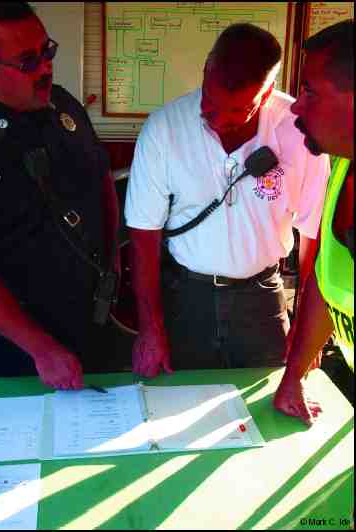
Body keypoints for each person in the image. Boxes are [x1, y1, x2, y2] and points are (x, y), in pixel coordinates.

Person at [0, 2, 121, 390]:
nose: (45, 68)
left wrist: (112, 265)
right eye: (28, 61)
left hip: (93, 322)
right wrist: (41, 348)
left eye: (47, 52)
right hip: (19, 347)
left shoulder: (63, 104)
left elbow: (101, 181)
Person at [124, 23, 330, 377]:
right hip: (187, 297)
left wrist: (305, 327)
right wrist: (151, 329)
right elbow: (143, 236)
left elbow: (314, 238)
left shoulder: (300, 132)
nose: (218, 120)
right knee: (177, 402)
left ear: (266, 94)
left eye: (237, 112)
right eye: (210, 104)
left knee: (266, 402)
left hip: (262, 298)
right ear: (206, 70)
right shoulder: (164, 129)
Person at [274, 19, 354, 425]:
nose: (296, 106)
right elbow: (325, 281)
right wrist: (294, 376)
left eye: (310, 91)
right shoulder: (339, 165)